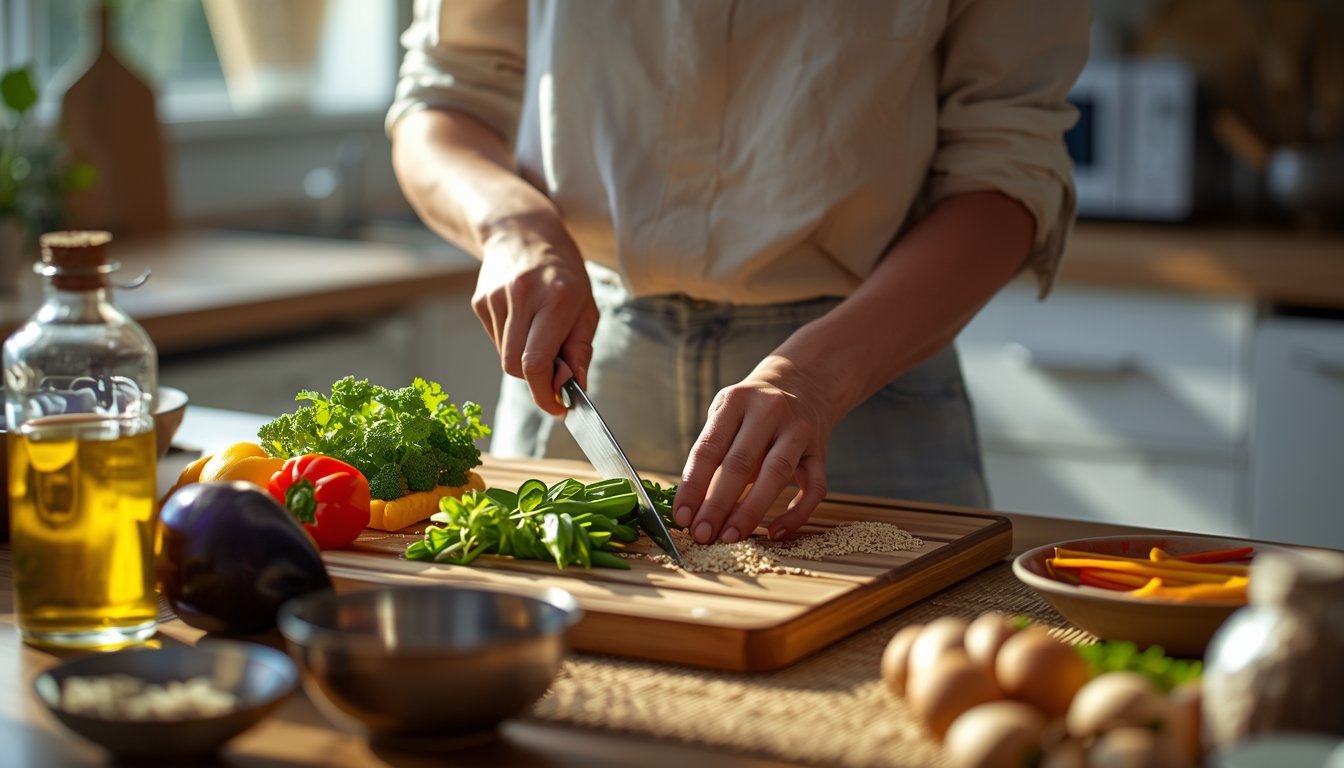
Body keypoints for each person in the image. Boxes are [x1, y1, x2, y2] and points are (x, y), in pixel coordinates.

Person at [387, 0, 1090, 545]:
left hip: (865, 372)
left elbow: (1008, 167)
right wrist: (513, 227)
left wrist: (816, 378)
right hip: (587, 357)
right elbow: (445, 102)